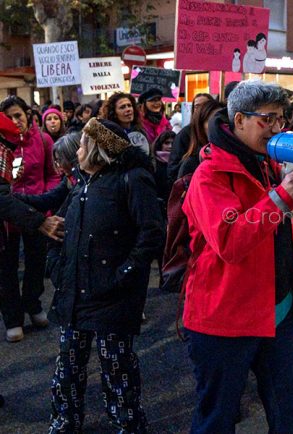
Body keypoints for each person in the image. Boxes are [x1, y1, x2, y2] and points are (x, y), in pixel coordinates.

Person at [182, 80, 293, 434]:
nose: (278, 129)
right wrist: (279, 198)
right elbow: (229, 240)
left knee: (290, 416)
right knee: (217, 419)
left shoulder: (265, 166)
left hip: (279, 314)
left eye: (281, 120)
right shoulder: (209, 175)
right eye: (269, 120)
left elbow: (290, 227)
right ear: (240, 119)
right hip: (225, 320)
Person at [47, 118, 164, 433]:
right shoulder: (82, 183)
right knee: (68, 366)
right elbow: (60, 229)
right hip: (74, 291)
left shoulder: (133, 179)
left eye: (84, 144)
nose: (79, 150)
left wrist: (121, 275)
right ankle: (65, 422)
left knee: (117, 366)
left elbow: (151, 234)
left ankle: (127, 424)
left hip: (112, 295)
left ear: (98, 149)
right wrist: (56, 267)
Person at [0, 96, 59, 343]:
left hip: (36, 211)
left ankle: (33, 305)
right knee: (7, 268)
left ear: (28, 115)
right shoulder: (3, 147)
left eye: (19, 116)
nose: (16, 122)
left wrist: (46, 206)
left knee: (36, 263)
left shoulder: (43, 140)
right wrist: (12, 178)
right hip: (8, 218)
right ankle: (13, 319)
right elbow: (2, 191)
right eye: (9, 118)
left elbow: (53, 175)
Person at [167, 93, 215, 184]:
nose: (201, 109)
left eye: (205, 105)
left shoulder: (219, 132)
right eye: (197, 106)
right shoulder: (184, 134)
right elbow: (173, 169)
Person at [178, 99, 222, 178]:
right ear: (200, 127)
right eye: (212, 121)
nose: (219, 125)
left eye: (222, 120)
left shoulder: (236, 157)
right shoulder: (191, 164)